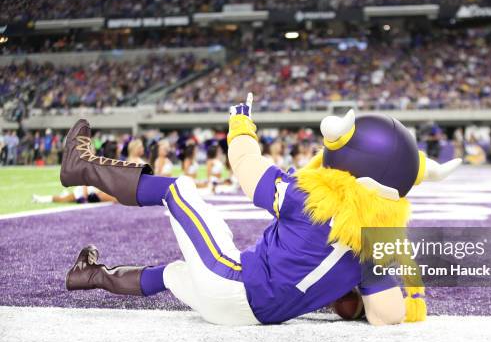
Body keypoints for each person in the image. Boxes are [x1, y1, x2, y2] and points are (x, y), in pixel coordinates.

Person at [60, 95, 460, 326]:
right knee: (173, 273)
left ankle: (82, 167)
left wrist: (241, 126)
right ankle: (88, 275)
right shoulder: (376, 242)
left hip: (233, 281)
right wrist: (361, 296)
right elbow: (385, 313)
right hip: (251, 316)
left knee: (178, 189)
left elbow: (249, 171)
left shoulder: (313, 199)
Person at [32, 186, 116, 204]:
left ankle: (39, 199)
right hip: (87, 192)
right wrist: (84, 195)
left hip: (91, 193)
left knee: (63, 199)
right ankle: (39, 199)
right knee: (62, 199)